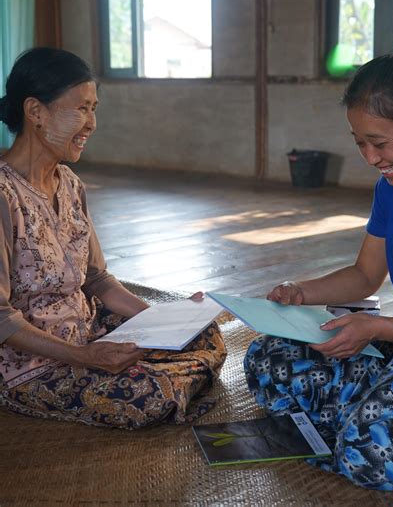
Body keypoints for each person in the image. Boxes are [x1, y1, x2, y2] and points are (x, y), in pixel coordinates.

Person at [244, 54, 393, 490]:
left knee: (366, 451)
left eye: (380, 143)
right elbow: (366, 275)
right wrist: (299, 291)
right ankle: (382, 416)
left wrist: (376, 327)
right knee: (267, 357)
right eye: (359, 143)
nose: (371, 157)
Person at [0, 47, 226, 429]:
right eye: (82, 109)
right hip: (29, 362)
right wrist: (84, 358)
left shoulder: (70, 184)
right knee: (150, 397)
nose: (91, 123)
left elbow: (97, 279)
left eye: (94, 109)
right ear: (35, 112)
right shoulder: (4, 195)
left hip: (85, 329)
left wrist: (166, 321)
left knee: (206, 336)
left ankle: (167, 380)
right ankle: (169, 387)